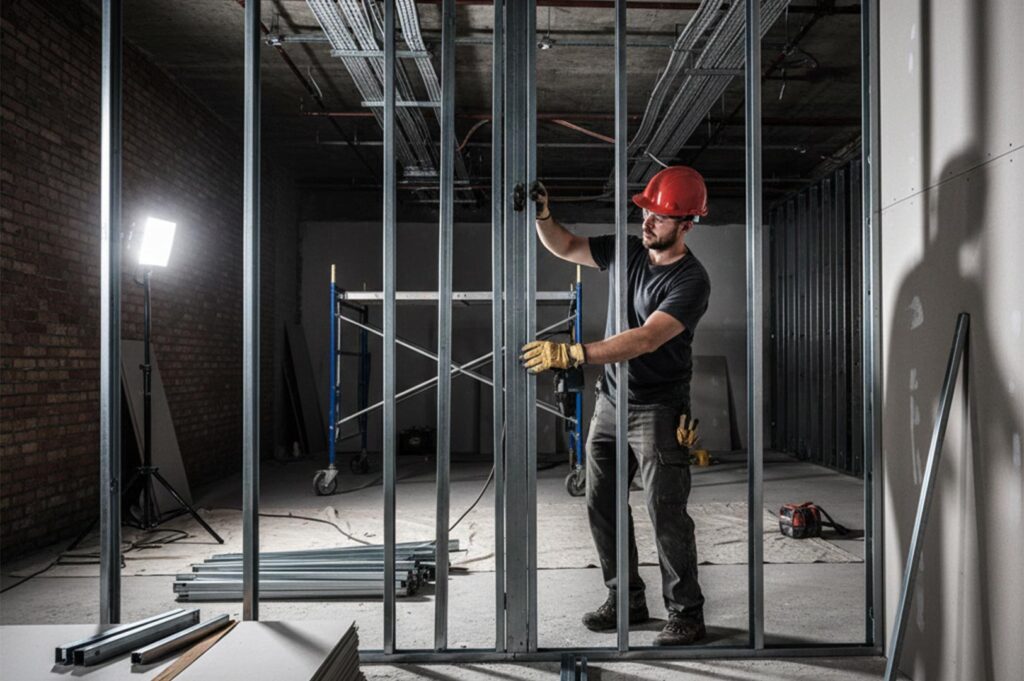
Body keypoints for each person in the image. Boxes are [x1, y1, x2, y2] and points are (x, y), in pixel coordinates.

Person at [520, 166, 711, 646]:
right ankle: (625, 597)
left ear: (686, 224)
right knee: (601, 503)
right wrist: (544, 215)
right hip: (610, 401)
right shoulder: (626, 251)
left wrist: (574, 353)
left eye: (660, 216)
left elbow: (646, 339)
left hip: (657, 408)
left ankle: (686, 612)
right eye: (645, 210)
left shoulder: (692, 280)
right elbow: (565, 246)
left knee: (664, 511)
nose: (646, 221)